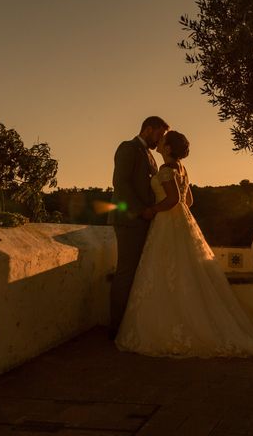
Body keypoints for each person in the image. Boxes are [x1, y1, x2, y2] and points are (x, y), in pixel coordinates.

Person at [115, 131, 253, 362]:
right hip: (181, 222)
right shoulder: (182, 170)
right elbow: (189, 201)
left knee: (166, 270)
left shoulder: (166, 170)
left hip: (166, 222)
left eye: (163, 142)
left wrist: (153, 210)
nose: (160, 144)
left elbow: (174, 200)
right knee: (183, 270)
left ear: (167, 148)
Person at [108, 116, 169, 340]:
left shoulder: (150, 155)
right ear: (148, 129)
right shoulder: (128, 148)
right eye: (159, 134)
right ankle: (116, 328)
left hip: (144, 220)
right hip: (129, 220)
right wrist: (140, 210)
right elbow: (120, 183)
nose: (161, 139)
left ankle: (130, 325)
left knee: (137, 272)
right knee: (125, 272)